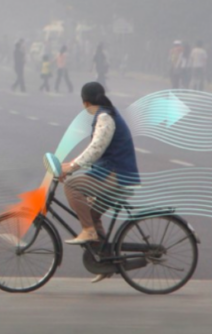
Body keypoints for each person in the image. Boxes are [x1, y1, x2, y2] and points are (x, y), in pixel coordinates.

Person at [58, 82, 140, 282]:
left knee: (71, 186)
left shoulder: (104, 117)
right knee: (92, 214)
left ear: (85, 102)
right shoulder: (106, 113)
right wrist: (71, 164)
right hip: (114, 173)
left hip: (117, 176)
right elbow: (96, 152)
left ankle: (88, 231)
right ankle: (106, 262)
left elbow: (96, 149)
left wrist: (72, 167)